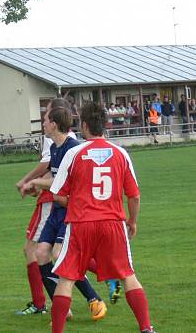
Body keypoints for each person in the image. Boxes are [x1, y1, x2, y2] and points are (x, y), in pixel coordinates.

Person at [49, 102, 155, 333]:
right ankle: (146, 328)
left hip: (80, 224)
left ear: (84, 125)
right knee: (128, 276)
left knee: (66, 278)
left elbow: (57, 195)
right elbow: (134, 196)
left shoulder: (74, 153)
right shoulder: (120, 153)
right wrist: (132, 222)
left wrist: (79, 200)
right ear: (105, 125)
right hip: (113, 224)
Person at [21, 107, 108, 322]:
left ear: (54, 124)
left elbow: (59, 183)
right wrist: (37, 187)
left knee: (59, 256)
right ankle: (62, 308)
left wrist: (33, 182)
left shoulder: (73, 149)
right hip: (56, 211)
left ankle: (94, 299)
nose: (42, 124)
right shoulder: (56, 148)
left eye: (45, 120)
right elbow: (54, 177)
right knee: (41, 254)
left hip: (71, 211)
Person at [15, 98, 76, 315]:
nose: (44, 119)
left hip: (54, 202)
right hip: (50, 197)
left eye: (47, 114)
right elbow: (52, 169)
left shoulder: (63, 141)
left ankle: (44, 303)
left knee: (42, 251)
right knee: (53, 252)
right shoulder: (60, 140)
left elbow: (49, 167)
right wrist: (37, 184)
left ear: (56, 118)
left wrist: (28, 181)